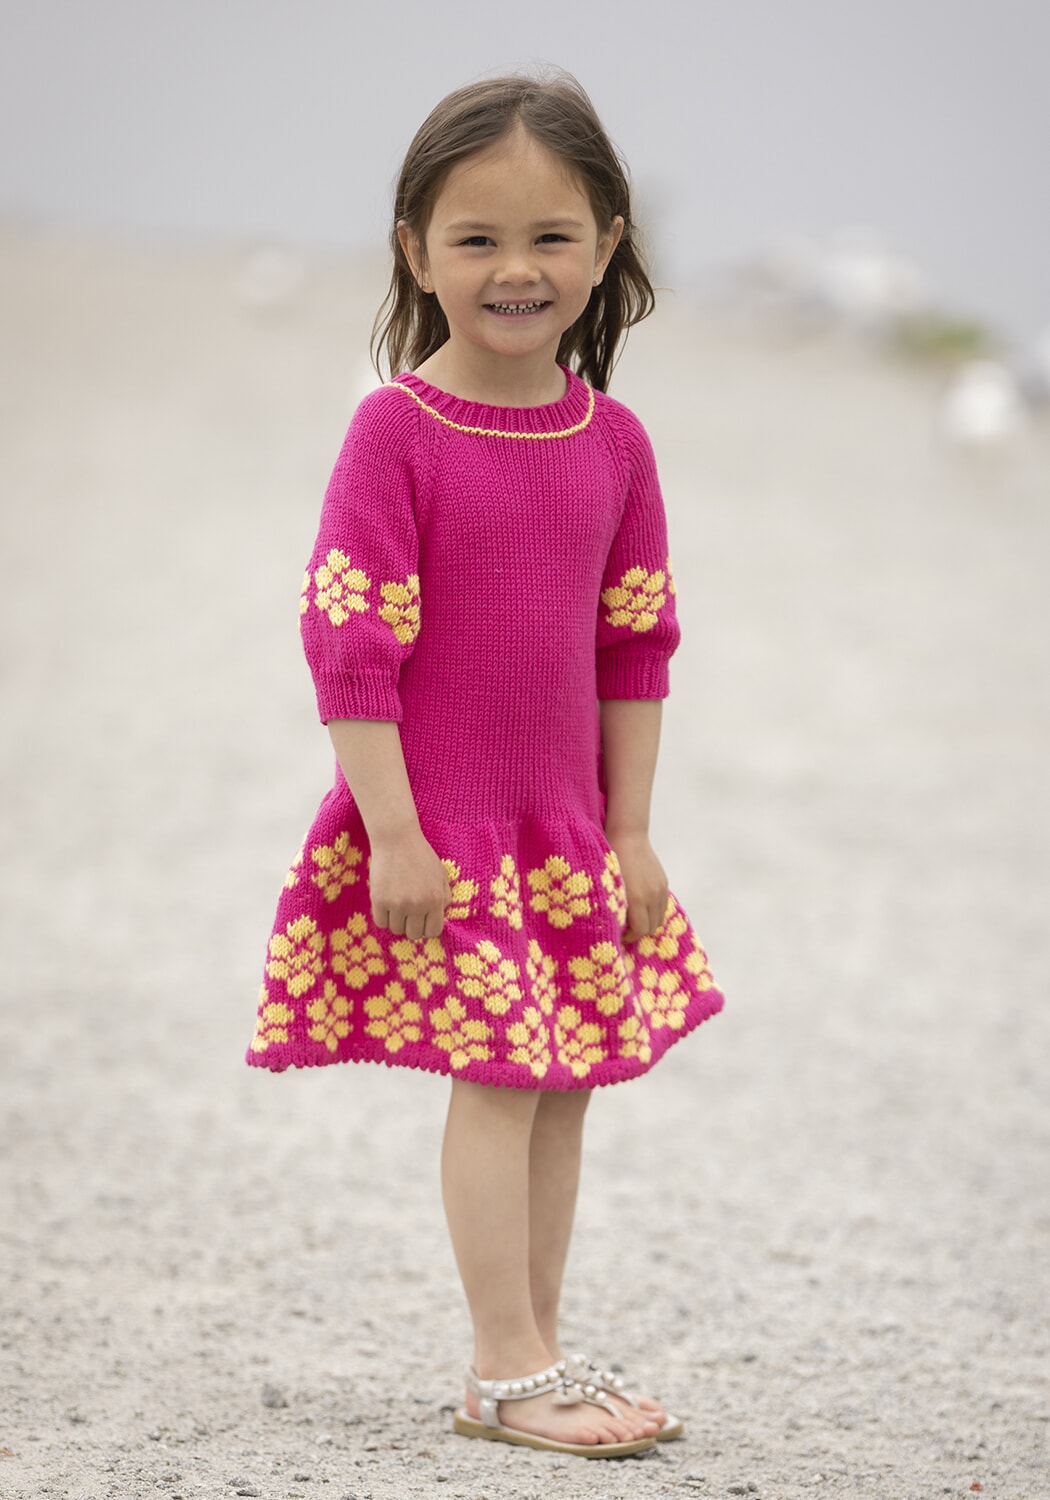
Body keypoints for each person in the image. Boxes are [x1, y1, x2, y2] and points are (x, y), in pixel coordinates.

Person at [247, 70, 724, 1459]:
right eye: (477, 239)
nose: (517, 269)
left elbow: (635, 646)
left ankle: (532, 1349)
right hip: (445, 828)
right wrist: (394, 833)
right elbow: (349, 645)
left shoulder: (613, 442)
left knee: (564, 1077)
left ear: (608, 243)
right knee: (504, 1074)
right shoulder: (398, 432)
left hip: (564, 829)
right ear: (415, 252)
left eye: (551, 236)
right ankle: (505, 1365)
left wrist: (631, 831)